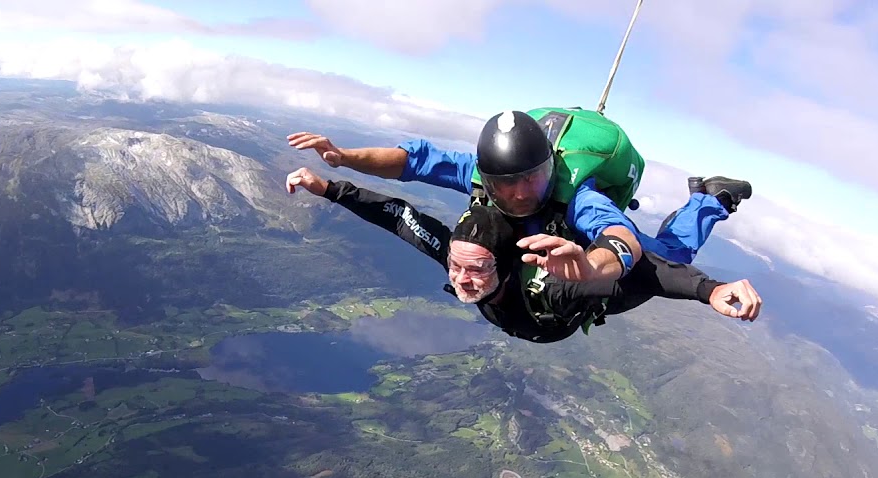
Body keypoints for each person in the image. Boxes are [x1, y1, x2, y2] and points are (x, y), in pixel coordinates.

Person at [284, 166, 762, 344]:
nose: (462, 279)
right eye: (457, 265)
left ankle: (713, 199)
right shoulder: (457, 256)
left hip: (594, 290)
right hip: (554, 293)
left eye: (475, 268)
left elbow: (647, 274)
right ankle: (705, 199)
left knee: (666, 250)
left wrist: (711, 289)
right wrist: (328, 188)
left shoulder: (554, 283)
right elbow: (397, 216)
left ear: (503, 262)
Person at [288, 109, 752, 265]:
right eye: (503, 183)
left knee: (669, 257)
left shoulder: (576, 195)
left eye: (531, 179)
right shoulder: (478, 170)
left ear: (549, 168)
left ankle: (711, 198)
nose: (517, 193)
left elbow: (618, 234)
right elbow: (415, 160)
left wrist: (595, 268)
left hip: (589, 208)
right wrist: (344, 157)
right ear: (487, 177)